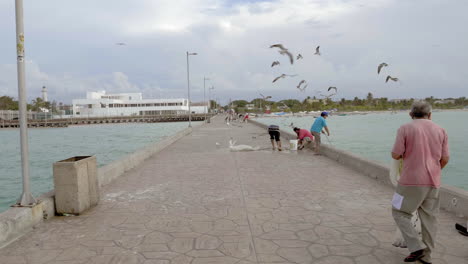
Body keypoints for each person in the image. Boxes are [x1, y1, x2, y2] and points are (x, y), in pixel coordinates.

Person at [391, 101, 449, 264]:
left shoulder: (405, 128)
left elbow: (396, 154)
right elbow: (445, 158)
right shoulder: (441, 130)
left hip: (410, 181)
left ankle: (416, 247)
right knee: (429, 220)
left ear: (411, 114)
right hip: (433, 182)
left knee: (398, 212)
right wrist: (435, 170)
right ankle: (426, 258)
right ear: (430, 115)